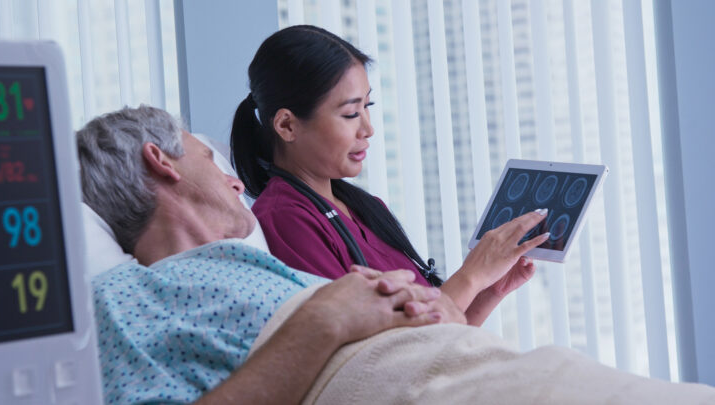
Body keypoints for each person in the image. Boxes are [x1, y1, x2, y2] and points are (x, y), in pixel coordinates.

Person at [80, 106, 715, 405]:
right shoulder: (125, 298)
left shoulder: (265, 261)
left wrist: (464, 304)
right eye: (207, 156)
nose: (234, 177)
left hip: (472, 367)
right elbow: (332, 338)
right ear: (159, 161)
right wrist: (326, 319)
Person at [230, 25, 547, 325]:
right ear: (287, 125)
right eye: (351, 113)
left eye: (369, 107)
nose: (368, 129)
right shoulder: (285, 221)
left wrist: (489, 290)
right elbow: (369, 354)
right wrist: (471, 276)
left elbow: (434, 340)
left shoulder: (365, 208)